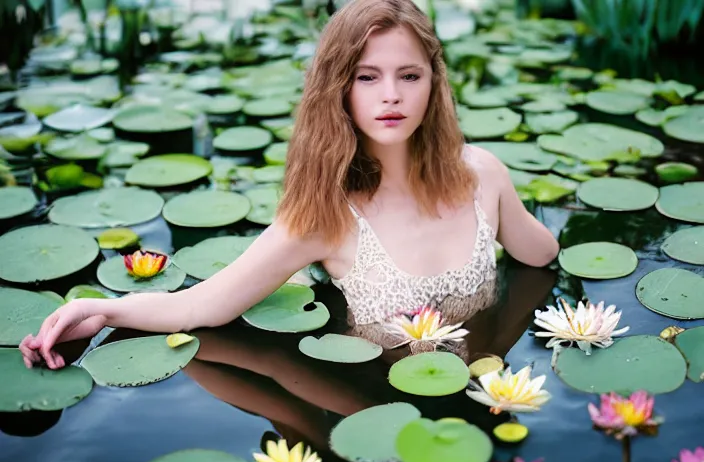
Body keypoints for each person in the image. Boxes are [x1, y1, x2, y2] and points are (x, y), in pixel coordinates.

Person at [19, 0, 559, 370]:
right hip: (380, 404)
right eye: (367, 77)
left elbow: (542, 255)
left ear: (433, 85)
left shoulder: (481, 172)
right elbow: (202, 306)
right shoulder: (325, 215)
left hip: (489, 387)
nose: (390, 95)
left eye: (409, 75)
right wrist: (103, 310)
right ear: (338, 90)